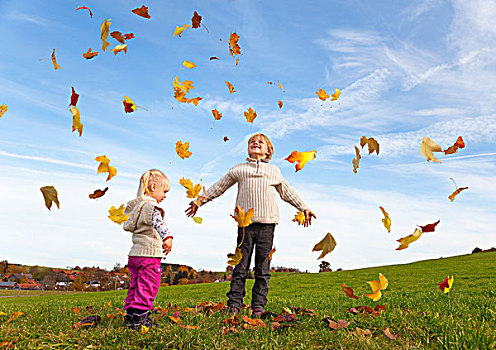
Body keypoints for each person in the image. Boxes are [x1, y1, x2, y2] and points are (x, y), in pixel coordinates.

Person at [186, 133, 316, 317]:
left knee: (262, 269)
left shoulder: (274, 171)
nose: (255, 143)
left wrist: (304, 207)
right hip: (245, 226)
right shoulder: (239, 169)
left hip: (267, 225)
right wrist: (199, 201)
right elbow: (218, 187)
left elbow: (287, 192)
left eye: (260, 142)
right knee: (240, 267)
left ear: (268, 151)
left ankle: (258, 307)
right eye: (251, 142)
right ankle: (234, 306)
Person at [122, 169, 173, 329]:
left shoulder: (138, 207)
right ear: (152, 187)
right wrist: (168, 237)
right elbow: (159, 224)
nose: (165, 196)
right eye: (164, 191)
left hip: (135, 255)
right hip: (149, 256)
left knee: (135, 285)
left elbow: (130, 226)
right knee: (148, 285)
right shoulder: (152, 207)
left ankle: (130, 315)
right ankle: (140, 319)